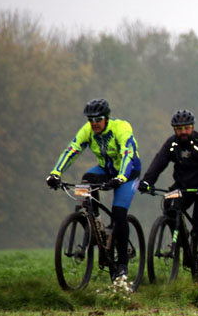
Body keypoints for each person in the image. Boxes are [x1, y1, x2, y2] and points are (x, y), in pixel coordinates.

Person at [46, 98, 141, 281]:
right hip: (107, 169)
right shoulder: (87, 131)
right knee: (86, 180)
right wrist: (55, 173)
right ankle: (96, 221)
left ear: (106, 118)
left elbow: (128, 153)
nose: (94, 123)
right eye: (91, 120)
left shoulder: (121, 128)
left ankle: (122, 265)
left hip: (128, 173)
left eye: (98, 119)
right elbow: (72, 150)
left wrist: (120, 177)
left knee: (119, 213)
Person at [138, 110, 198, 282]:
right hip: (183, 187)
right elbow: (158, 162)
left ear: (192, 127)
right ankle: (181, 243)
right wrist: (147, 181)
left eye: (186, 128)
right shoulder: (172, 144)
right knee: (169, 206)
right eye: (179, 129)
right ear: (174, 130)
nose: (183, 132)